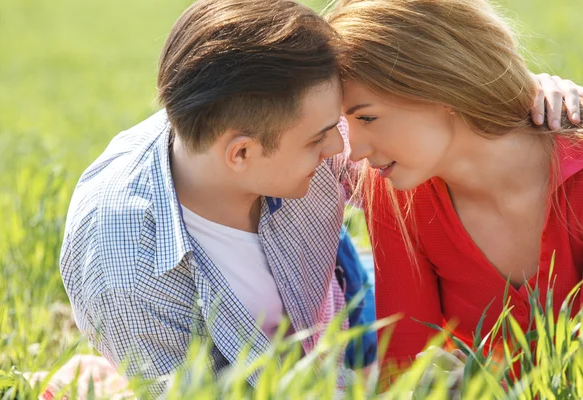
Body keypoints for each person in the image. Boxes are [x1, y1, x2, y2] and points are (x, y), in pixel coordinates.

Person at [60, 0, 578, 397]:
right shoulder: (126, 271)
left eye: (352, 122)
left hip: (334, 304)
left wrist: (518, 97)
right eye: (322, 137)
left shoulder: (306, 129)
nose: (344, 148)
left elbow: (432, 99)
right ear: (241, 155)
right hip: (267, 364)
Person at [326, 0, 583, 381]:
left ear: (440, 84)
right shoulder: (394, 193)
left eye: (368, 117)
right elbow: (403, 368)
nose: (357, 150)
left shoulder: (575, 175)